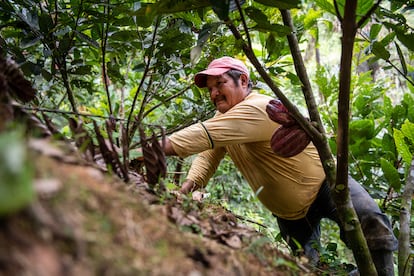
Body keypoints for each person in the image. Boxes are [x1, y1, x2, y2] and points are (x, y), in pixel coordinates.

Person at [163, 56, 398, 275]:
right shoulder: (222, 121)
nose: (214, 93)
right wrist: (187, 188)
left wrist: (148, 148)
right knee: (306, 267)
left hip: (327, 183)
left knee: (371, 223)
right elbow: (207, 157)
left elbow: (200, 136)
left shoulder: (259, 107)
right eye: (210, 89)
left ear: (243, 80)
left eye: (220, 84)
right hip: (291, 213)